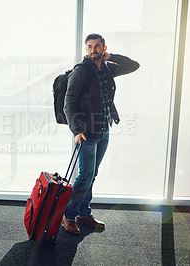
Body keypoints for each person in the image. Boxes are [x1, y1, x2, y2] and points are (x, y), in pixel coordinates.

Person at [62, 33, 139, 234]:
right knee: (85, 176)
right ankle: (68, 215)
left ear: (104, 48)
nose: (93, 50)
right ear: (85, 49)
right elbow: (68, 104)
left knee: (92, 174)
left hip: (104, 130)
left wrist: (111, 56)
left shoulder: (106, 69)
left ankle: (84, 213)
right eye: (89, 47)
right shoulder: (81, 72)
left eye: (97, 46)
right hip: (86, 133)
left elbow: (133, 66)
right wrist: (76, 131)